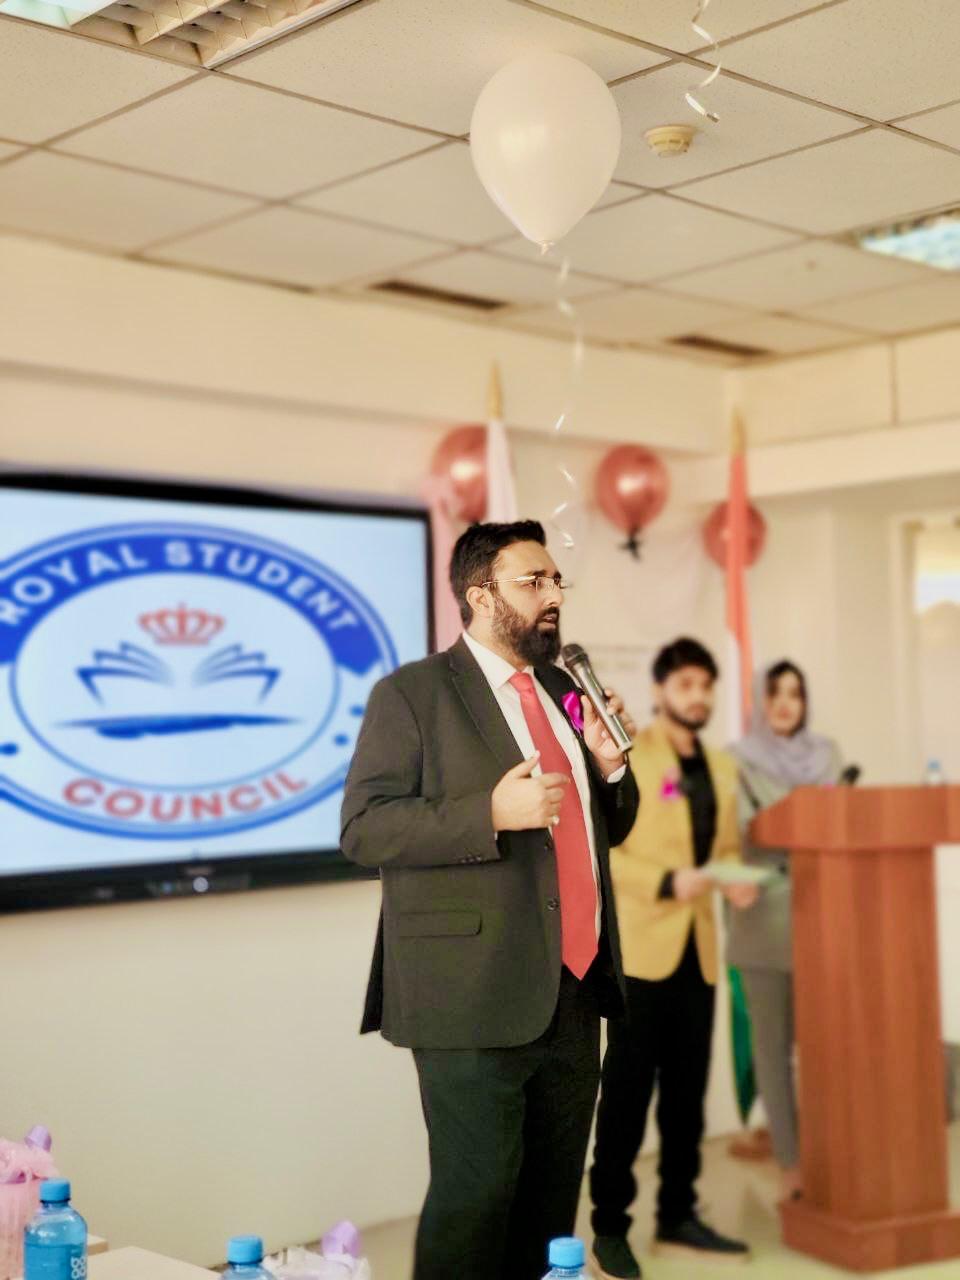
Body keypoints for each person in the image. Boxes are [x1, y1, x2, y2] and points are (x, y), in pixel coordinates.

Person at [340, 519, 640, 1280]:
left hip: (575, 989)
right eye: (532, 582)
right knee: (474, 1204)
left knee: (550, 1209)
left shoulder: (566, 691)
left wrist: (609, 770)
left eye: (555, 581)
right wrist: (488, 814)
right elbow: (364, 828)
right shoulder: (413, 694)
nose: (552, 595)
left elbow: (608, 829)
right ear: (480, 596)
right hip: (470, 995)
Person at [589, 638, 756, 1279]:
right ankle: (609, 1230)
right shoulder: (631, 753)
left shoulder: (722, 767)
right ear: (660, 690)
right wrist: (666, 882)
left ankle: (678, 1215)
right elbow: (608, 850)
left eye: (706, 685)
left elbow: (725, 848)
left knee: (687, 1098)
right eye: (686, 684)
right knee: (626, 1099)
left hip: (700, 953)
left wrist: (733, 880)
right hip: (642, 954)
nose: (699, 696)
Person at [727, 661, 842, 1203]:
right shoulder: (736, 761)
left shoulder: (828, 756)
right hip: (763, 923)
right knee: (773, 1052)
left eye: (795, 693)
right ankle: (792, 1164)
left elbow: (841, 822)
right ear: (760, 700)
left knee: (826, 1048)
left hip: (826, 920)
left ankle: (830, 1154)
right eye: (775, 693)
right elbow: (732, 832)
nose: (785, 703)